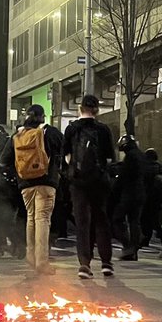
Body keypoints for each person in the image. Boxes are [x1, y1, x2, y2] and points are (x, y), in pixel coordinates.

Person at [0, 103, 63, 274]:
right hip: (46, 182)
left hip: (25, 184)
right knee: (42, 219)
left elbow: (2, 161)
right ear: (42, 116)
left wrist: (18, 174)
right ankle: (42, 262)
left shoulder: (18, 135)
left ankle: (31, 257)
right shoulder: (50, 132)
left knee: (31, 219)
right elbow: (64, 152)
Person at [62, 94, 115, 279]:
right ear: (96, 110)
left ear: (80, 108)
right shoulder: (103, 129)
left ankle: (84, 264)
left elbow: (66, 156)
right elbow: (109, 158)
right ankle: (107, 263)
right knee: (101, 220)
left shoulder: (71, 129)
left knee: (82, 223)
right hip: (99, 182)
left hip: (78, 183)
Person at [113, 134, 146, 261]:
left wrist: (115, 191)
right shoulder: (141, 155)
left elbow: (123, 177)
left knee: (117, 219)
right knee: (134, 221)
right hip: (140, 193)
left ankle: (128, 246)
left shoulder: (131, 157)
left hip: (129, 193)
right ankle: (133, 248)